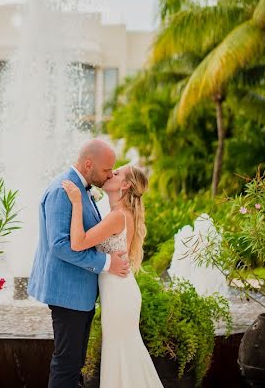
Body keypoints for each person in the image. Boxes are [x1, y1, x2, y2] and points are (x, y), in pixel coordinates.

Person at [28, 139, 131, 388]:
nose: (108, 175)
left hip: (80, 294)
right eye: (107, 170)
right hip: (68, 292)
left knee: (74, 363)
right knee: (66, 364)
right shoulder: (63, 190)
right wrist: (107, 263)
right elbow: (60, 245)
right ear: (88, 164)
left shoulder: (80, 189)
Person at [61, 164, 163, 387]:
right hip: (119, 291)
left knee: (120, 352)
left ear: (125, 185)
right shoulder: (118, 213)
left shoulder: (118, 216)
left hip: (119, 294)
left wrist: (77, 202)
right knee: (123, 351)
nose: (110, 173)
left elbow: (78, 243)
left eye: (116, 173)